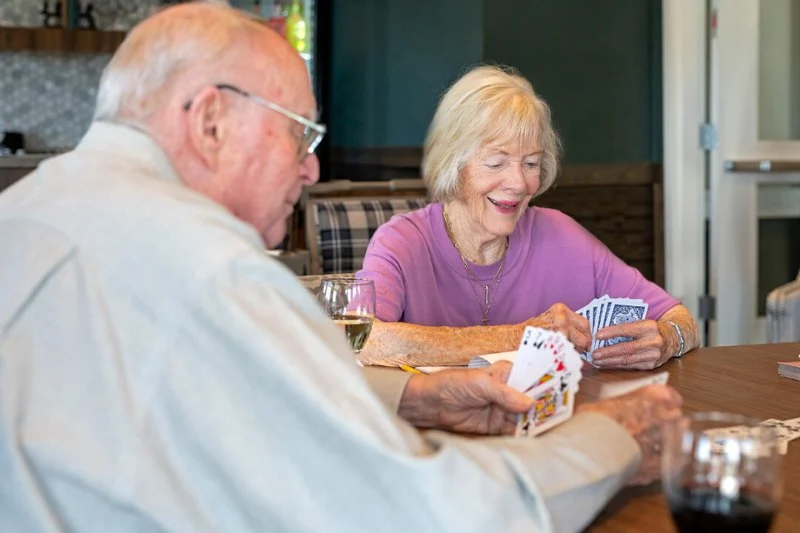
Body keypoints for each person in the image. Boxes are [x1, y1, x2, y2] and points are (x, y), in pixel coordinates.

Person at [0, 4, 683, 532]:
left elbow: (246, 394)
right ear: (210, 122)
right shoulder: (209, 269)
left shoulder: (28, 210)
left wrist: (417, 395)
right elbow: (424, 512)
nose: (313, 167)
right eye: (300, 131)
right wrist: (612, 439)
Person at [357, 65, 699, 370]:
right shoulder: (401, 243)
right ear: (453, 165)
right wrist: (525, 335)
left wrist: (669, 339)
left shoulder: (562, 235)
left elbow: (678, 317)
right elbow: (364, 342)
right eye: (496, 162)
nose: (519, 183)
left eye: (531, 163)